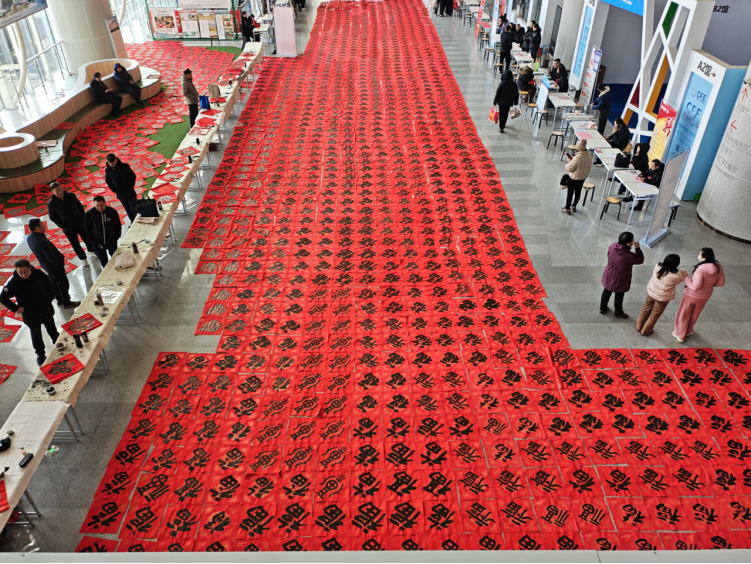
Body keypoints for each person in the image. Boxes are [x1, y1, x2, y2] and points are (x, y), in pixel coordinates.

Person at [0, 260, 60, 366]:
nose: (24, 275)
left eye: (26, 271)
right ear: (16, 271)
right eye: (20, 272)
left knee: (51, 327)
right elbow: (3, 298)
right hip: (30, 313)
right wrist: (16, 308)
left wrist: (49, 298)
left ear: (30, 268)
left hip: (45, 308)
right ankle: (40, 354)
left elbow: (49, 284)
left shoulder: (39, 274)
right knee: (36, 334)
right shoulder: (14, 282)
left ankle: (57, 342)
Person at [26, 218, 80, 310]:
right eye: (42, 225)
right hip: (55, 266)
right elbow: (52, 258)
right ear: (37, 228)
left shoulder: (30, 237)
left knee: (54, 283)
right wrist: (61, 259)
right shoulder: (42, 242)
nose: (44, 226)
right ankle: (66, 302)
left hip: (45, 265)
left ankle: (59, 299)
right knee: (62, 284)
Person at [673, 248, 724, 343]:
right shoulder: (719, 267)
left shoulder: (700, 269)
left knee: (684, 314)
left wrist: (685, 276)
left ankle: (680, 334)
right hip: (705, 296)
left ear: (704, 258)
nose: (698, 255)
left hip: (691, 295)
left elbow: (695, 287)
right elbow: (721, 282)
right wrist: (709, 285)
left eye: (700, 254)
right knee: (695, 315)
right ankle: (688, 331)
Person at [636, 254, 683, 336]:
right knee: (654, 314)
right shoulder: (676, 276)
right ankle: (646, 331)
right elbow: (678, 282)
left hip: (651, 292)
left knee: (646, 308)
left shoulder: (657, 267)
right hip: (663, 298)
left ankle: (638, 326)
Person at [600, 231, 644, 318]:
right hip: (620, 277)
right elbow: (640, 260)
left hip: (609, 273)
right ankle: (618, 312)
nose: (633, 240)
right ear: (628, 243)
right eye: (632, 240)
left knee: (606, 291)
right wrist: (637, 249)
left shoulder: (613, 246)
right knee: (619, 294)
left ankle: (603, 308)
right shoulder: (629, 255)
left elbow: (608, 255)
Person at [48, 182, 92, 268]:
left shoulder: (71, 196)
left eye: (60, 189)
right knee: (75, 244)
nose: (60, 192)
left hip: (80, 223)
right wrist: (62, 224)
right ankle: (83, 259)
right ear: (52, 192)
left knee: (87, 238)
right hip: (68, 228)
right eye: (57, 191)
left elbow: (80, 206)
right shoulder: (52, 204)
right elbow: (52, 217)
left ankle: (91, 250)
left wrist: (82, 217)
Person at [85, 196, 122, 268]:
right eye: (97, 206)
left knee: (116, 258)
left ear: (105, 203)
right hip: (97, 243)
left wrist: (117, 237)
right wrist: (92, 240)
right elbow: (87, 228)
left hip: (111, 241)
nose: (100, 208)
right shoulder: (89, 214)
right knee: (103, 261)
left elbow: (118, 225)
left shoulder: (112, 212)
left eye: (101, 205)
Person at [104, 153, 139, 222]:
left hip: (129, 193)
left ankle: (138, 223)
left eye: (112, 161)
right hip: (120, 194)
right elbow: (108, 181)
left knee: (135, 210)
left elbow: (132, 176)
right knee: (128, 210)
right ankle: (132, 222)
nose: (111, 163)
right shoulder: (107, 170)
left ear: (116, 159)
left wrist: (130, 186)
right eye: (109, 162)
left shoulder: (124, 166)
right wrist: (114, 189)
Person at [562, 139, 592, 214]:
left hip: (574, 177)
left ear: (578, 147)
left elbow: (570, 168)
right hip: (582, 177)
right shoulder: (588, 155)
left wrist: (569, 161)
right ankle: (574, 206)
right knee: (578, 192)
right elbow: (582, 164)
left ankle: (567, 208)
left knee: (570, 193)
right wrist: (573, 160)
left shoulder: (578, 158)